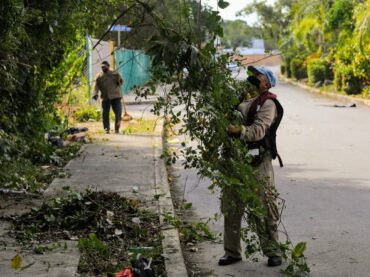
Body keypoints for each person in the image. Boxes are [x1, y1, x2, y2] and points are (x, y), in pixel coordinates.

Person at [219, 66, 284, 267]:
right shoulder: (242, 98)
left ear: (267, 82)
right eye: (253, 74)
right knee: (231, 206)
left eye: (259, 74)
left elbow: (258, 131)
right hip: (236, 161)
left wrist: (237, 130)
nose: (254, 77)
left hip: (258, 163)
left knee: (264, 207)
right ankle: (232, 252)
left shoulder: (268, 103)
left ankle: (273, 251)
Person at [93, 61, 124, 134]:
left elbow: (121, 82)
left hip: (116, 96)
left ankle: (117, 129)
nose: (104, 68)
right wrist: (95, 94)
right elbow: (96, 86)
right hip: (105, 97)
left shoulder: (115, 74)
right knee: (105, 114)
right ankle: (106, 130)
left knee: (118, 113)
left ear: (108, 66)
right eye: (102, 67)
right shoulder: (99, 76)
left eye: (105, 67)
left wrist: (120, 79)